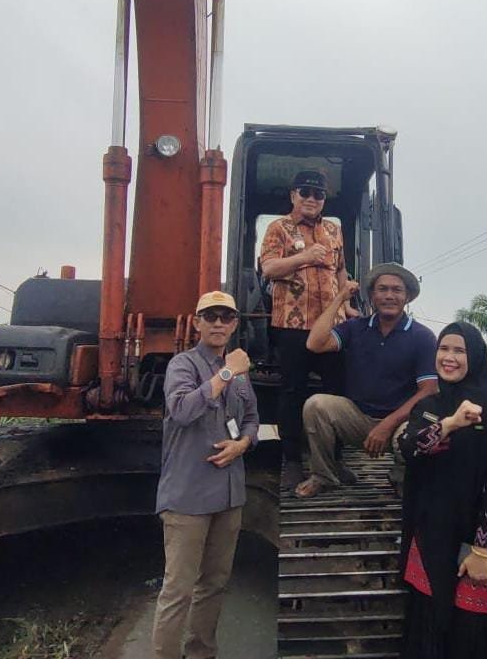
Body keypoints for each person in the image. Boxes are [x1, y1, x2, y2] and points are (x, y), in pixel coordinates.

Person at [397, 322, 487, 658]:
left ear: (475, 356)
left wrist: (483, 549)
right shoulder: (430, 404)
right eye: (444, 349)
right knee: (427, 629)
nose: (449, 358)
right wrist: (450, 424)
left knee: (473, 635)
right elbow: (410, 448)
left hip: (475, 545)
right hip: (431, 537)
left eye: (459, 350)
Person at [152, 290, 260, 659]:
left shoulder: (241, 373)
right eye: (210, 316)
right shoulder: (183, 365)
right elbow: (182, 410)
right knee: (178, 589)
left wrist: (243, 444)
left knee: (214, 584)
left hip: (229, 496)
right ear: (197, 322)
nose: (218, 323)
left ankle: (200, 653)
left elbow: (250, 419)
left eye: (225, 317)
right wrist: (227, 372)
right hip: (187, 498)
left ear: (234, 324)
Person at [294, 262, 438, 498]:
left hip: (398, 423)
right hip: (359, 418)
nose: (389, 296)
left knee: (418, 428)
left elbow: (428, 391)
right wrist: (340, 297)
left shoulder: (422, 337)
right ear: (371, 295)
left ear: (408, 297)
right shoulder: (355, 328)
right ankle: (324, 475)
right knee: (316, 404)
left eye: (396, 290)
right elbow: (314, 343)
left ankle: (402, 478)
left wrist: (387, 425)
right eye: (382, 289)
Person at [258, 169, 352, 489]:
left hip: (331, 327)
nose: (312, 198)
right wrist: (304, 257)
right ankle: (293, 461)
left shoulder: (334, 229)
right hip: (293, 326)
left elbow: (341, 269)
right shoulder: (278, 228)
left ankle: (335, 461)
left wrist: (347, 304)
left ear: (324, 199)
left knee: (337, 392)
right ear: (293, 195)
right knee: (292, 392)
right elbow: (269, 268)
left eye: (319, 194)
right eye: (305, 192)